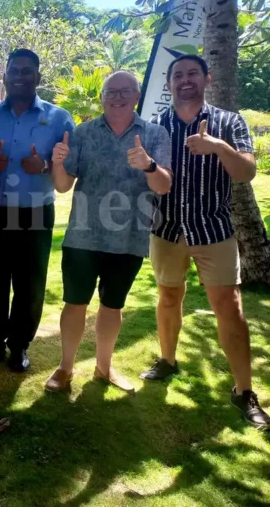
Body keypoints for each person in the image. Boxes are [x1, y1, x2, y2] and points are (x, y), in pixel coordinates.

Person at [139, 55, 269, 429]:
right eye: (177, 75)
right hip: (166, 230)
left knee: (229, 306)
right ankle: (167, 360)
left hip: (213, 229)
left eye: (192, 73)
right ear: (169, 85)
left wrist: (217, 146)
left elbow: (246, 173)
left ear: (206, 78)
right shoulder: (156, 127)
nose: (185, 80)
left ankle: (243, 391)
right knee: (167, 296)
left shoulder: (230, 122)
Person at [45, 71, 172, 393]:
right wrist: (57, 163)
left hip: (130, 236)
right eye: (111, 91)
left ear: (137, 96)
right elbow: (62, 187)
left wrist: (149, 166)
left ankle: (104, 367)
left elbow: (164, 186)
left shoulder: (155, 134)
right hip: (83, 236)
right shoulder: (83, 133)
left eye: (125, 91)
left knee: (112, 306)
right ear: (101, 97)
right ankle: (65, 368)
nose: (117, 96)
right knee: (75, 303)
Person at [0, 48, 75, 372]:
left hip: (36, 213)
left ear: (38, 78)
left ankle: (19, 347)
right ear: (5, 76)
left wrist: (42, 166)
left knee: (30, 284)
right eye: (14, 70)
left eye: (27, 71)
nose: (20, 76)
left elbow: (69, 165)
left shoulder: (59, 118)